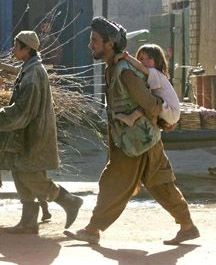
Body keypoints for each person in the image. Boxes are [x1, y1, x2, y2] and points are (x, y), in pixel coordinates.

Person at [68, 17, 199, 245]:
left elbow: (149, 103)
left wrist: (164, 119)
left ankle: (92, 229)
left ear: (110, 44)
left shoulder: (124, 71)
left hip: (135, 143)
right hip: (137, 140)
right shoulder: (114, 68)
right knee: (159, 182)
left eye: (95, 41)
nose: (91, 45)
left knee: (114, 182)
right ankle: (187, 226)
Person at [0, 31, 83, 234]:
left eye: (16, 46)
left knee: (29, 175)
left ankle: (69, 201)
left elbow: (23, 111)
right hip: (26, 134)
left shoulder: (33, 74)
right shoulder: (29, 69)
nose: (12, 49)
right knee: (20, 173)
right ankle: (29, 222)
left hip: (33, 135)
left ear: (27, 49)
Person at [113, 45, 180, 128]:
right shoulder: (150, 76)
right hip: (168, 111)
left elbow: (140, 67)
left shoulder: (156, 73)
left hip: (172, 112)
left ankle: (131, 118)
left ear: (157, 61)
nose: (145, 61)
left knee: (147, 99)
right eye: (141, 59)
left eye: (149, 58)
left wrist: (126, 57)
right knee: (147, 98)